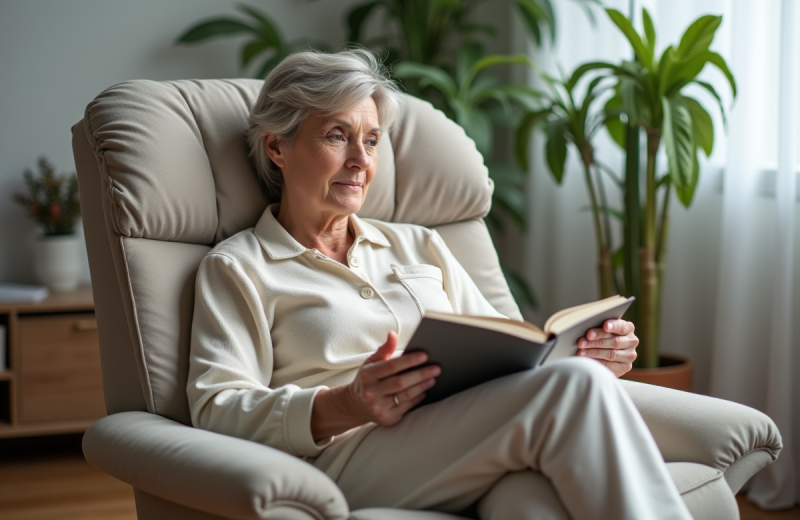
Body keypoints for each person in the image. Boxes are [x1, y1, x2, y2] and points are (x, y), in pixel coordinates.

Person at [187, 48, 693, 520]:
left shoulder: (420, 244)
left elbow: (514, 351)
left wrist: (585, 353)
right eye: (337, 136)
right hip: (348, 457)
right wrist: (345, 402)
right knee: (576, 387)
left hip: (464, 437)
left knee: (535, 498)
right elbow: (216, 408)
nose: (361, 162)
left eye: (371, 140)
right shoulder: (240, 267)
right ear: (278, 146)